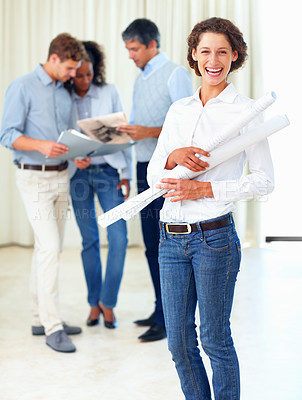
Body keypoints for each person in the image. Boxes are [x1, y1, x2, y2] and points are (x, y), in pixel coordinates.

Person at [147, 17, 274, 399]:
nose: (213, 60)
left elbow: (265, 180)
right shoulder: (178, 111)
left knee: (215, 341)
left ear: (235, 56)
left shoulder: (247, 112)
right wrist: (172, 156)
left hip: (214, 239)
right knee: (179, 344)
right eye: (205, 51)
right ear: (193, 56)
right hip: (170, 240)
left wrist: (202, 188)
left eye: (222, 51)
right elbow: (155, 176)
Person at [0, 33, 85, 353]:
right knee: (50, 248)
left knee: (47, 248)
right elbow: (7, 135)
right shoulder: (22, 86)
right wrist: (41, 146)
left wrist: (75, 151)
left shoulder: (64, 93)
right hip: (33, 179)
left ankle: (39, 316)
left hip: (62, 176)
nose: (72, 75)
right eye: (69, 68)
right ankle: (53, 326)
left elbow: (66, 135)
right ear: (53, 59)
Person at [118, 18, 193, 342]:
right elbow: (137, 123)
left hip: (168, 172)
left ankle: (170, 317)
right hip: (143, 167)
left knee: (168, 244)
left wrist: (148, 132)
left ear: (152, 44)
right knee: (151, 243)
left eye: (134, 49)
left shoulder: (175, 74)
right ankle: (160, 308)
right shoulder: (139, 79)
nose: (131, 56)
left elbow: (189, 127)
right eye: (128, 50)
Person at [67, 41, 132, 329]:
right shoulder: (62, 97)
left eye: (88, 74)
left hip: (108, 172)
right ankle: (94, 304)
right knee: (89, 241)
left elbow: (123, 131)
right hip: (77, 175)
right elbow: (60, 138)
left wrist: (127, 173)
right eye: (78, 75)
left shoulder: (110, 92)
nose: (83, 81)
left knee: (118, 238)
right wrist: (73, 158)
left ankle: (108, 302)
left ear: (96, 70)